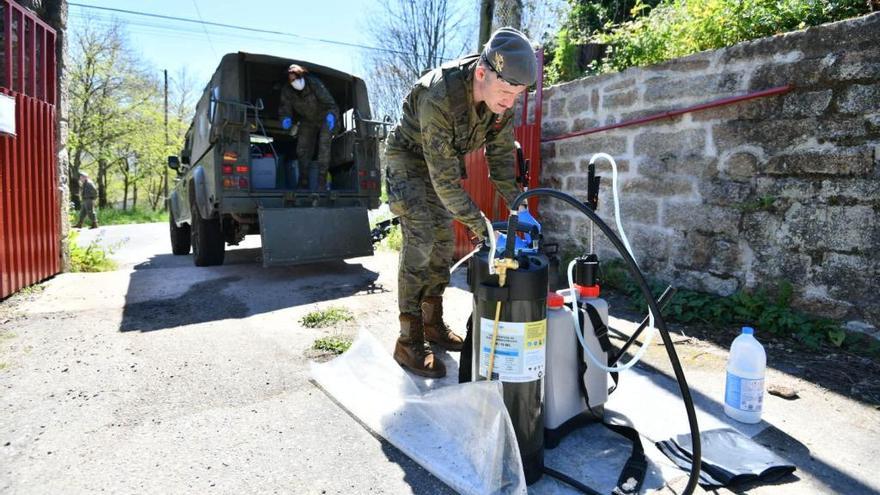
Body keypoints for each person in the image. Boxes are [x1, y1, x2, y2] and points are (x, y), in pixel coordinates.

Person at [383, 27, 537, 378]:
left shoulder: (502, 102)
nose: (510, 101)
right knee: (422, 238)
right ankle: (408, 339)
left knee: (442, 241)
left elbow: (499, 163)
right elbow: (443, 181)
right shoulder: (438, 94)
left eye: (519, 94)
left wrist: (520, 208)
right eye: (505, 91)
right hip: (409, 160)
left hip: (441, 161)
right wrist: (483, 228)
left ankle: (432, 321)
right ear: (482, 73)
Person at [278, 64, 340, 191]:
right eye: (291, 80)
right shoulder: (287, 90)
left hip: (325, 116)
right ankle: (303, 181)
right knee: (302, 149)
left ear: (302, 75)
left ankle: (321, 183)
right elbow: (285, 109)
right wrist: (285, 119)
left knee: (324, 147)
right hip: (307, 119)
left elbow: (331, 104)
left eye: (295, 78)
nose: (294, 82)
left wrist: (331, 116)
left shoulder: (313, 83)